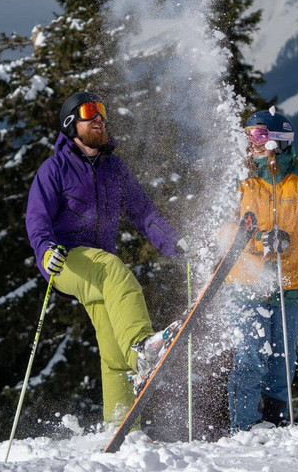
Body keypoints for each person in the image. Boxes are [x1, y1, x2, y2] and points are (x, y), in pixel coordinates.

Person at [26, 91, 185, 424]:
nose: (99, 118)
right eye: (90, 112)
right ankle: (141, 346)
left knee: (113, 354)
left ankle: (122, 426)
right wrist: (45, 253)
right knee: (114, 270)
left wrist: (176, 245)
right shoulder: (55, 169)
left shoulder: (114, 169)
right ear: (72, 123)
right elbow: (37, 218)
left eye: (102, 111)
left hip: (98, 269)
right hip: (66, 261)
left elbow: (144, 214)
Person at [224, 109, 298, 432]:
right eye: (249, 135)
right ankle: (244, 429)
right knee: (249, 360)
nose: (252, 142)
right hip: (247, 285)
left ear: (278, 140)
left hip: (288, 287)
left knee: (282, 365)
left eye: (259, 135)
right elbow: (223, 230)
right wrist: (259, 240)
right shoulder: (244, 183)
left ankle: (275, 427)